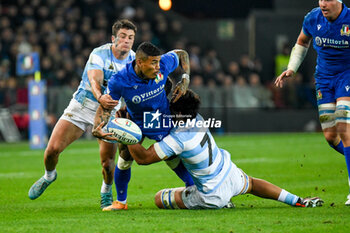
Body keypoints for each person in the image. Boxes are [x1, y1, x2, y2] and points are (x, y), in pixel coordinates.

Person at [96, 89, 324, 209]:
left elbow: (144, 159)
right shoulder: (198, 119)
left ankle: (215, 201)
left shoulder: (179, 137)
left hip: (211, 195)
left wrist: (127, 133)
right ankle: (297, 201)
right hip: (229, 173)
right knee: (252, 183)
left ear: (175, 111)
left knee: (158, 198)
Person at [28, 19, 137, 209]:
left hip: (109, 111)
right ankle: (49, 176)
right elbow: (94, 79)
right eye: (122, 36)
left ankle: (105, 191)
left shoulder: (134, 61)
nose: (126, 41)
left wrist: (124, 108)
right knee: (51, 150)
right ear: (113, 38)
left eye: (130, 37)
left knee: (108, 164)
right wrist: (100, 96)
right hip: (83, 105)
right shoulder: (99, 53)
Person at [92, 42, 194, 210]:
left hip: (160, 119)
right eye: (153, 62)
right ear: (139, 62)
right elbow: (106, 107)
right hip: (135, 123)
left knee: (172, 158)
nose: (158, 67)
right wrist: (99, 127)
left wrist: (185, 78)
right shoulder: (120, 80)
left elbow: (182, 53)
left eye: (159, 62)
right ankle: (121, 202)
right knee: (124, 158)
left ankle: (196, 190)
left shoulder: (164, 65)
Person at [275, 0, 350, 205]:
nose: (323, 4)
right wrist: (292, 68)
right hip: (324, 79)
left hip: (346, 76)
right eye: (321, 0)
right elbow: (302, 42)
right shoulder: (312, 18)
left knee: (344, 128)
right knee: (331, 136)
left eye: (328, 0)